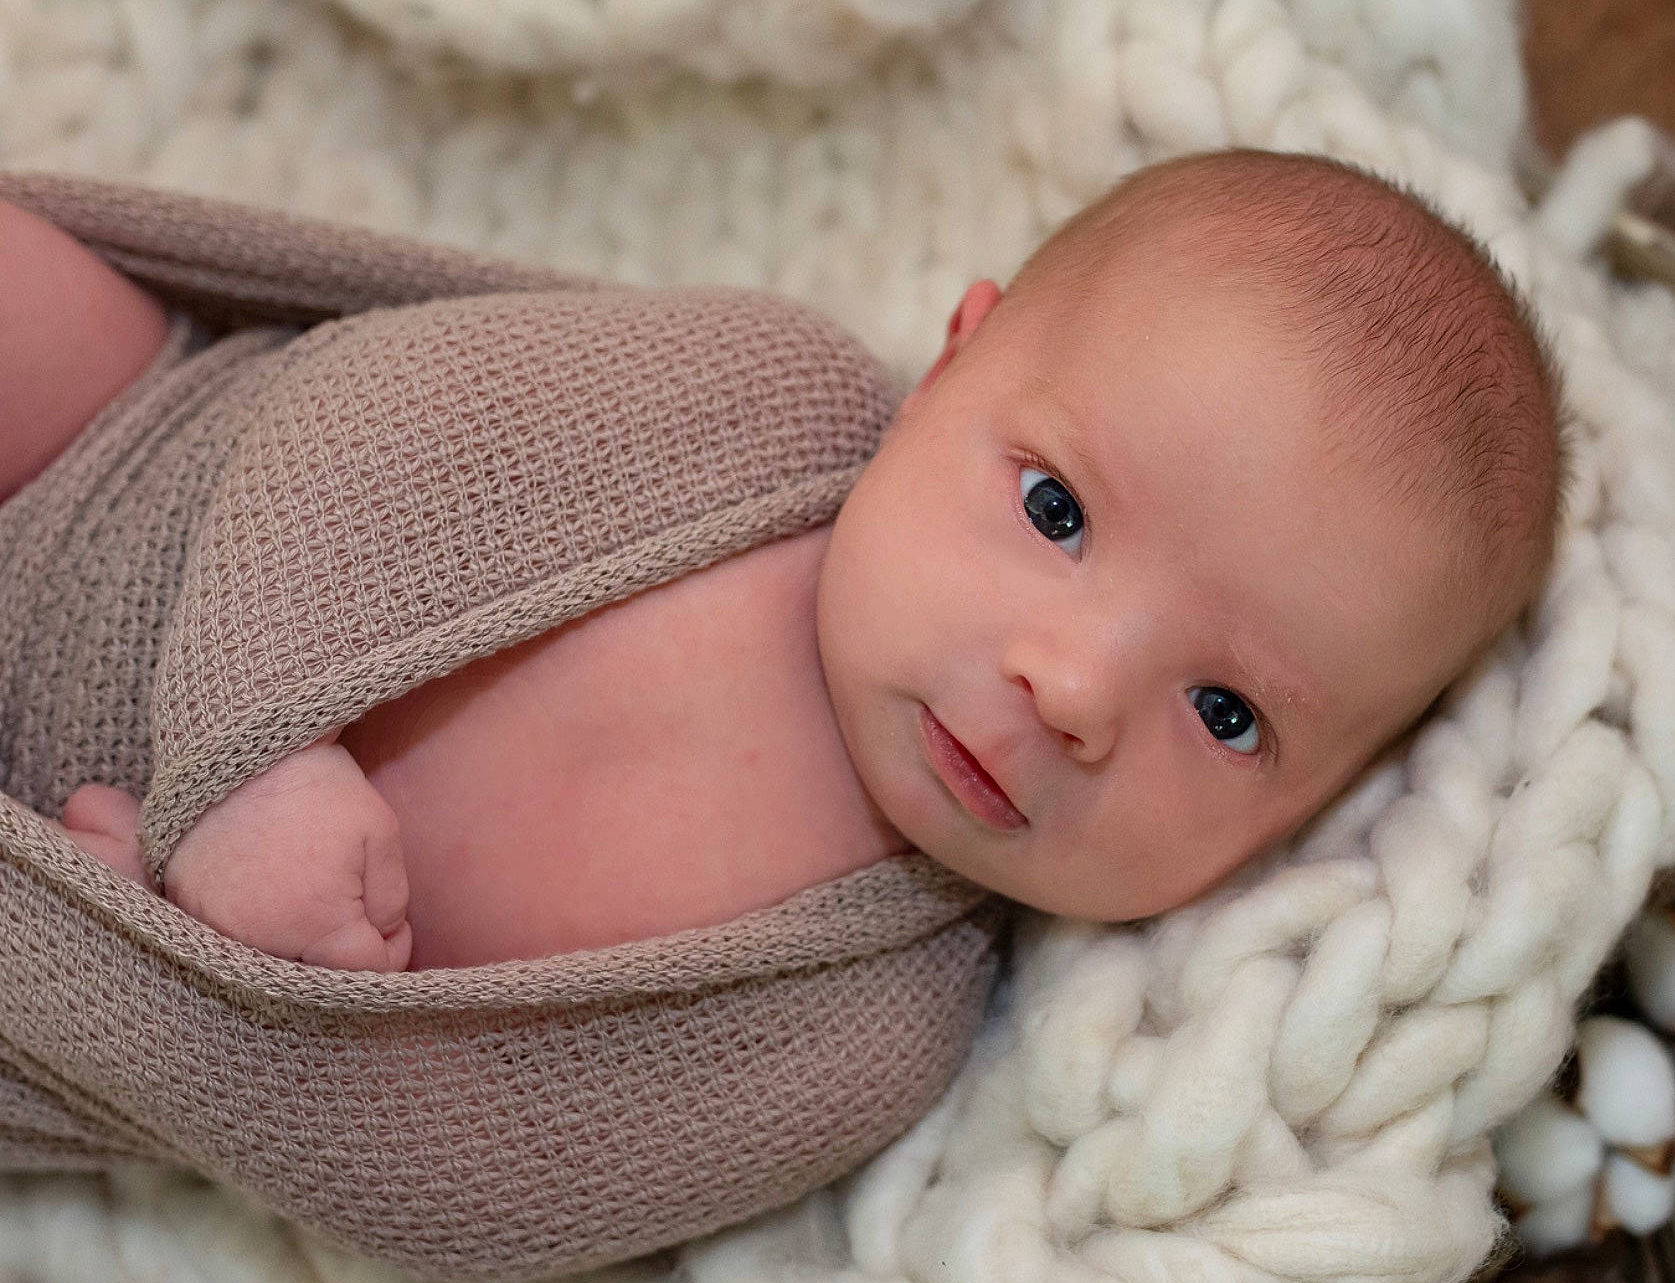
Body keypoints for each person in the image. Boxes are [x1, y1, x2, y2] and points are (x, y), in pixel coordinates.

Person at [2, 148, 1565, 970]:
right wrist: (258, 746)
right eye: (1058, 513)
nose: (1075, 689)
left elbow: (468, 1179)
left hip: (89, 887)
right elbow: (370, 415)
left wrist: (179, 975)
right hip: (126, 450)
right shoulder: (762, 401)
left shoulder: (863, 1018)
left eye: (1228, 713)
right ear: (953, 363)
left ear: (1321, 807)